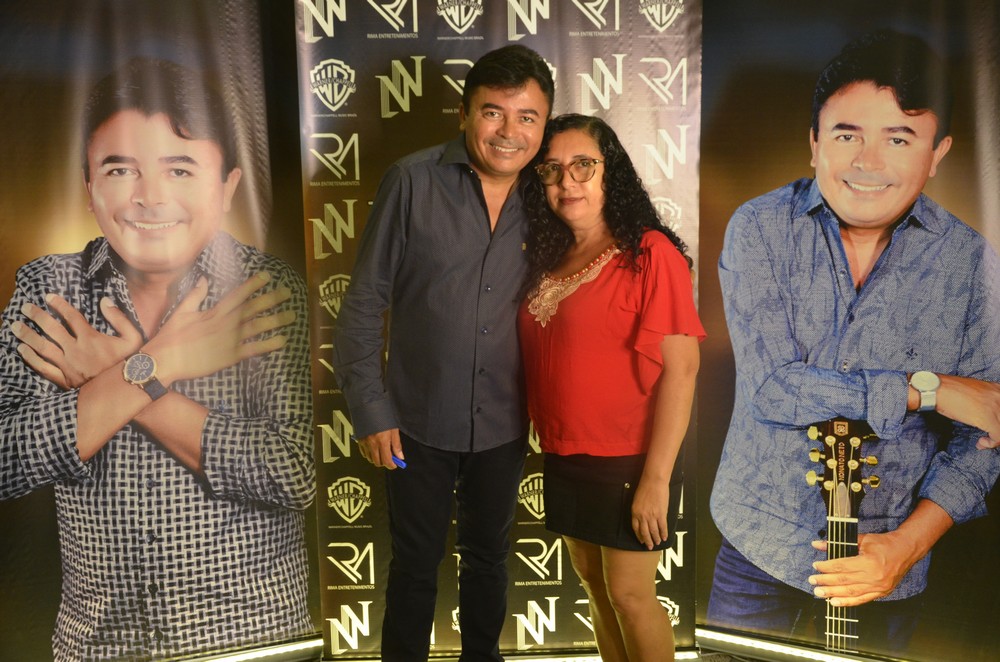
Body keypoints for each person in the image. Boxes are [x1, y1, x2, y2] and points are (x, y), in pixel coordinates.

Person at [0, 58, 315, 660]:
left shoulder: (266, 291)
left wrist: (123, 377)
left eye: (180, 168)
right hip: (97, 643)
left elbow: (295, 472)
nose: (150, 197)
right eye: (120, 169)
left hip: (249, 635)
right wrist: (161, 361)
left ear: (227, 187)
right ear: (88, 186)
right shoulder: (48, 289)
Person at [707, 29, 1000, 653]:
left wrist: (904, 547)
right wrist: (927, 390)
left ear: (937, 153)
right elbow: (773, 389)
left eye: (899, 138)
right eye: (846, 136)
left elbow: (983, 439)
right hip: (759, 545)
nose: (868, 162)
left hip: (886, 566)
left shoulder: (973, 266)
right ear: (815, 143)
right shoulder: (760, 228)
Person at [331, 45, 554, 661]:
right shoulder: (412, 180)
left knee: (489, 559)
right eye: (493, 112)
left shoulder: (551, 195)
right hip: (414, 426)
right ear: (464, 114)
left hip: (505, 422)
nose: (509, 131)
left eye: (527, 117)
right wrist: (371, 412)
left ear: (544, 124)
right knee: (414, 564)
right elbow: (363, 303)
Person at [519, 114, 705, 661]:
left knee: (629, 595)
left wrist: (656, 479)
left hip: (629, 457)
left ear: (610, 172)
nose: (567, 181)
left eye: (583, 165)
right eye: (552, 170)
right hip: (564, 452)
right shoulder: (548, 258)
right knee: (596, 590)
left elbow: (683, 371)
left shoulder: (649, 253)